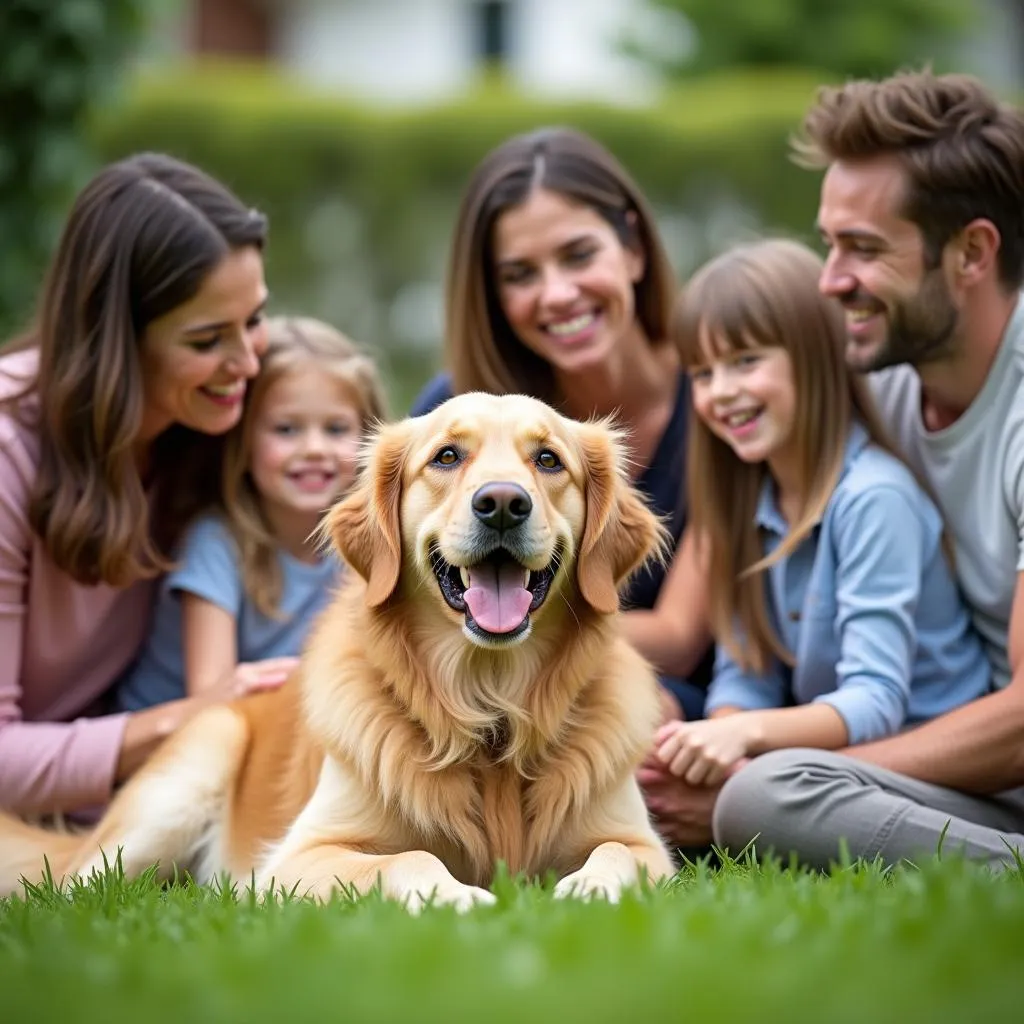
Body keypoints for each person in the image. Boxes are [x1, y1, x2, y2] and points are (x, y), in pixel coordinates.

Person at [713, 69, 1024, 870]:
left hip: (997, 756)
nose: (830, 281)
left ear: (972, 252)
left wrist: (795, 776)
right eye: (829, 242)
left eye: (864, 248)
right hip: (967, 773)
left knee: (763, 797)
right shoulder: (883, 381)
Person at [646, 237, 988, 795]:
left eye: (746, 361)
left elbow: (875, 701)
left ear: (814, 357)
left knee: (760, 798)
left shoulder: (874, 497)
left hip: (931, 772)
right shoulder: (746, 505)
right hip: (841, 763)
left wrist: (747, 739)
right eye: (703, 373)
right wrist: (713, 743)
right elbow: (746, 674)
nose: (723, 392)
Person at [0, 152, 278, 817]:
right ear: (116, 341)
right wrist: (194, 717)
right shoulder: (10, 450)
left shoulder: (217, 421)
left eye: (256, 319)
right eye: (208, 339)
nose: (246, 361)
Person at [409, 126, 712, 720]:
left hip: (677, 704)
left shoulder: (720, 399)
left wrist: (520, 626)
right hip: (495, 691)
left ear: (633, 249)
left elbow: (679, 642)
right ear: (492, 293)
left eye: (579, 255)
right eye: (520, 274)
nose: (558, 294)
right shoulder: (452, 414)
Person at [116, 317, 388, 712]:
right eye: (286, 429)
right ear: (243, 442)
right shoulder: (216, 544)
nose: (314, 448)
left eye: (335, 428)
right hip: (167, 743)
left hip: (278, 726)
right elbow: (210, 696)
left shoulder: (361, 542)